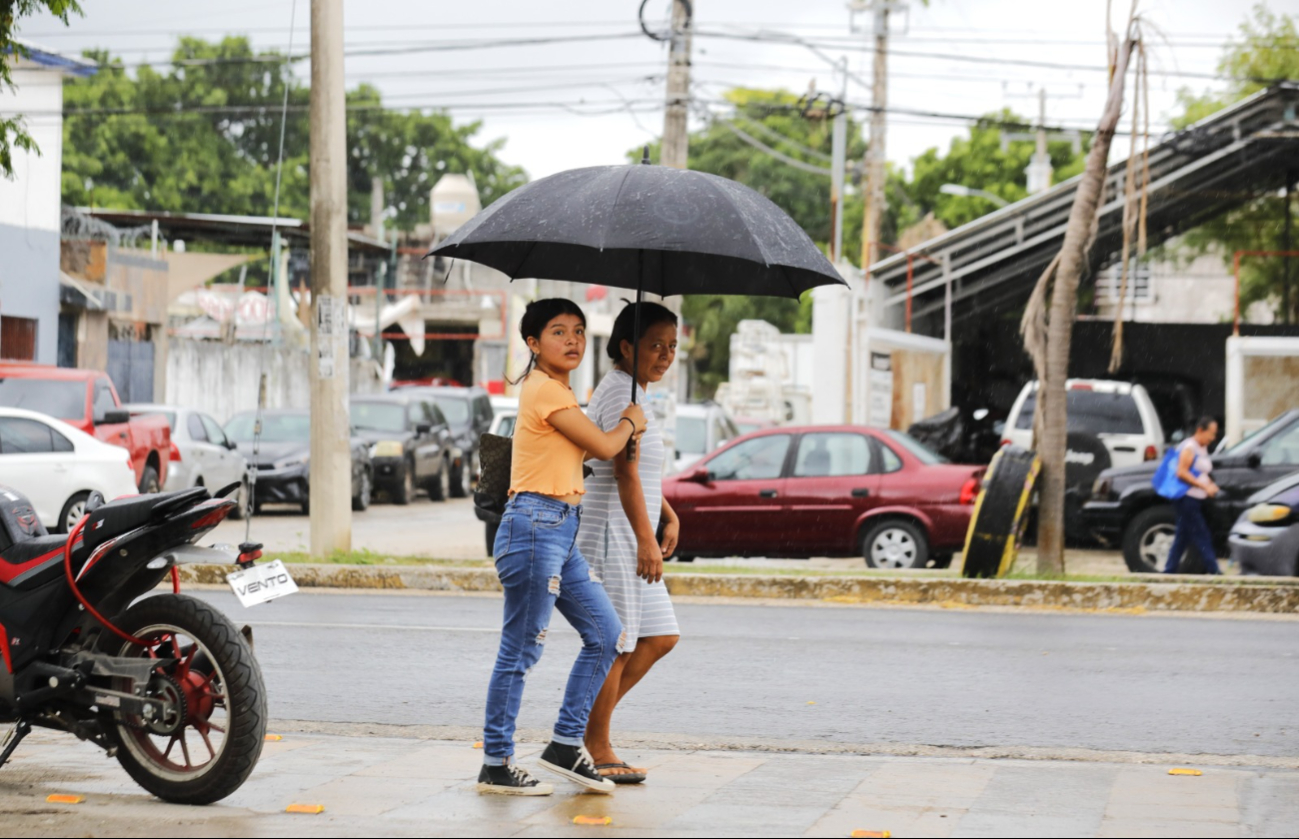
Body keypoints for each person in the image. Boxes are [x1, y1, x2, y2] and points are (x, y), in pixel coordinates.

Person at [477, 298, 647, 796]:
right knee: (520, 650)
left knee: (607, 632)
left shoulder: (560, 393)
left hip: (560, 528)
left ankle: (564, 744)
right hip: (534, 527)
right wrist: (630, 423)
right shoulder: (544, 390)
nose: (572, 340)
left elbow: (593, 448)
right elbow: (605, 446)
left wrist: (621, 434)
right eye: (557, 332)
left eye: (577, 331)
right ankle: (495, 761)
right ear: (533, 343)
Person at [577, 302, 682, 785]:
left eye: (672, 346)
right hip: (611, 533)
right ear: (626, 346)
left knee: (659, 636)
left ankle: (574, 728)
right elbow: (621, 471)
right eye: (656, 344)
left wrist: (668, 512)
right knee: (617, 642)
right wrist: (647, 540)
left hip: (631, 526)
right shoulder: (621, 392)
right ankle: (595, 745)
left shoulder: (636, 393)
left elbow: (639, 469)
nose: (666, 355)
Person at [1163, 416, 1221, 575]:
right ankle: (1214, 570)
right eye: (1211, 433)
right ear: (1200, 430)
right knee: (1202, 534)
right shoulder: (1189, 446)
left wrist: (1210, 484)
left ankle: (1169, 570)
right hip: (1186, 498)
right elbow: (1182, 472)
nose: (1213, 438)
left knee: (1182, 538)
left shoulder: (1202, 448)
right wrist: (1204, 486)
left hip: (1196, 498)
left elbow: (1201, 472)